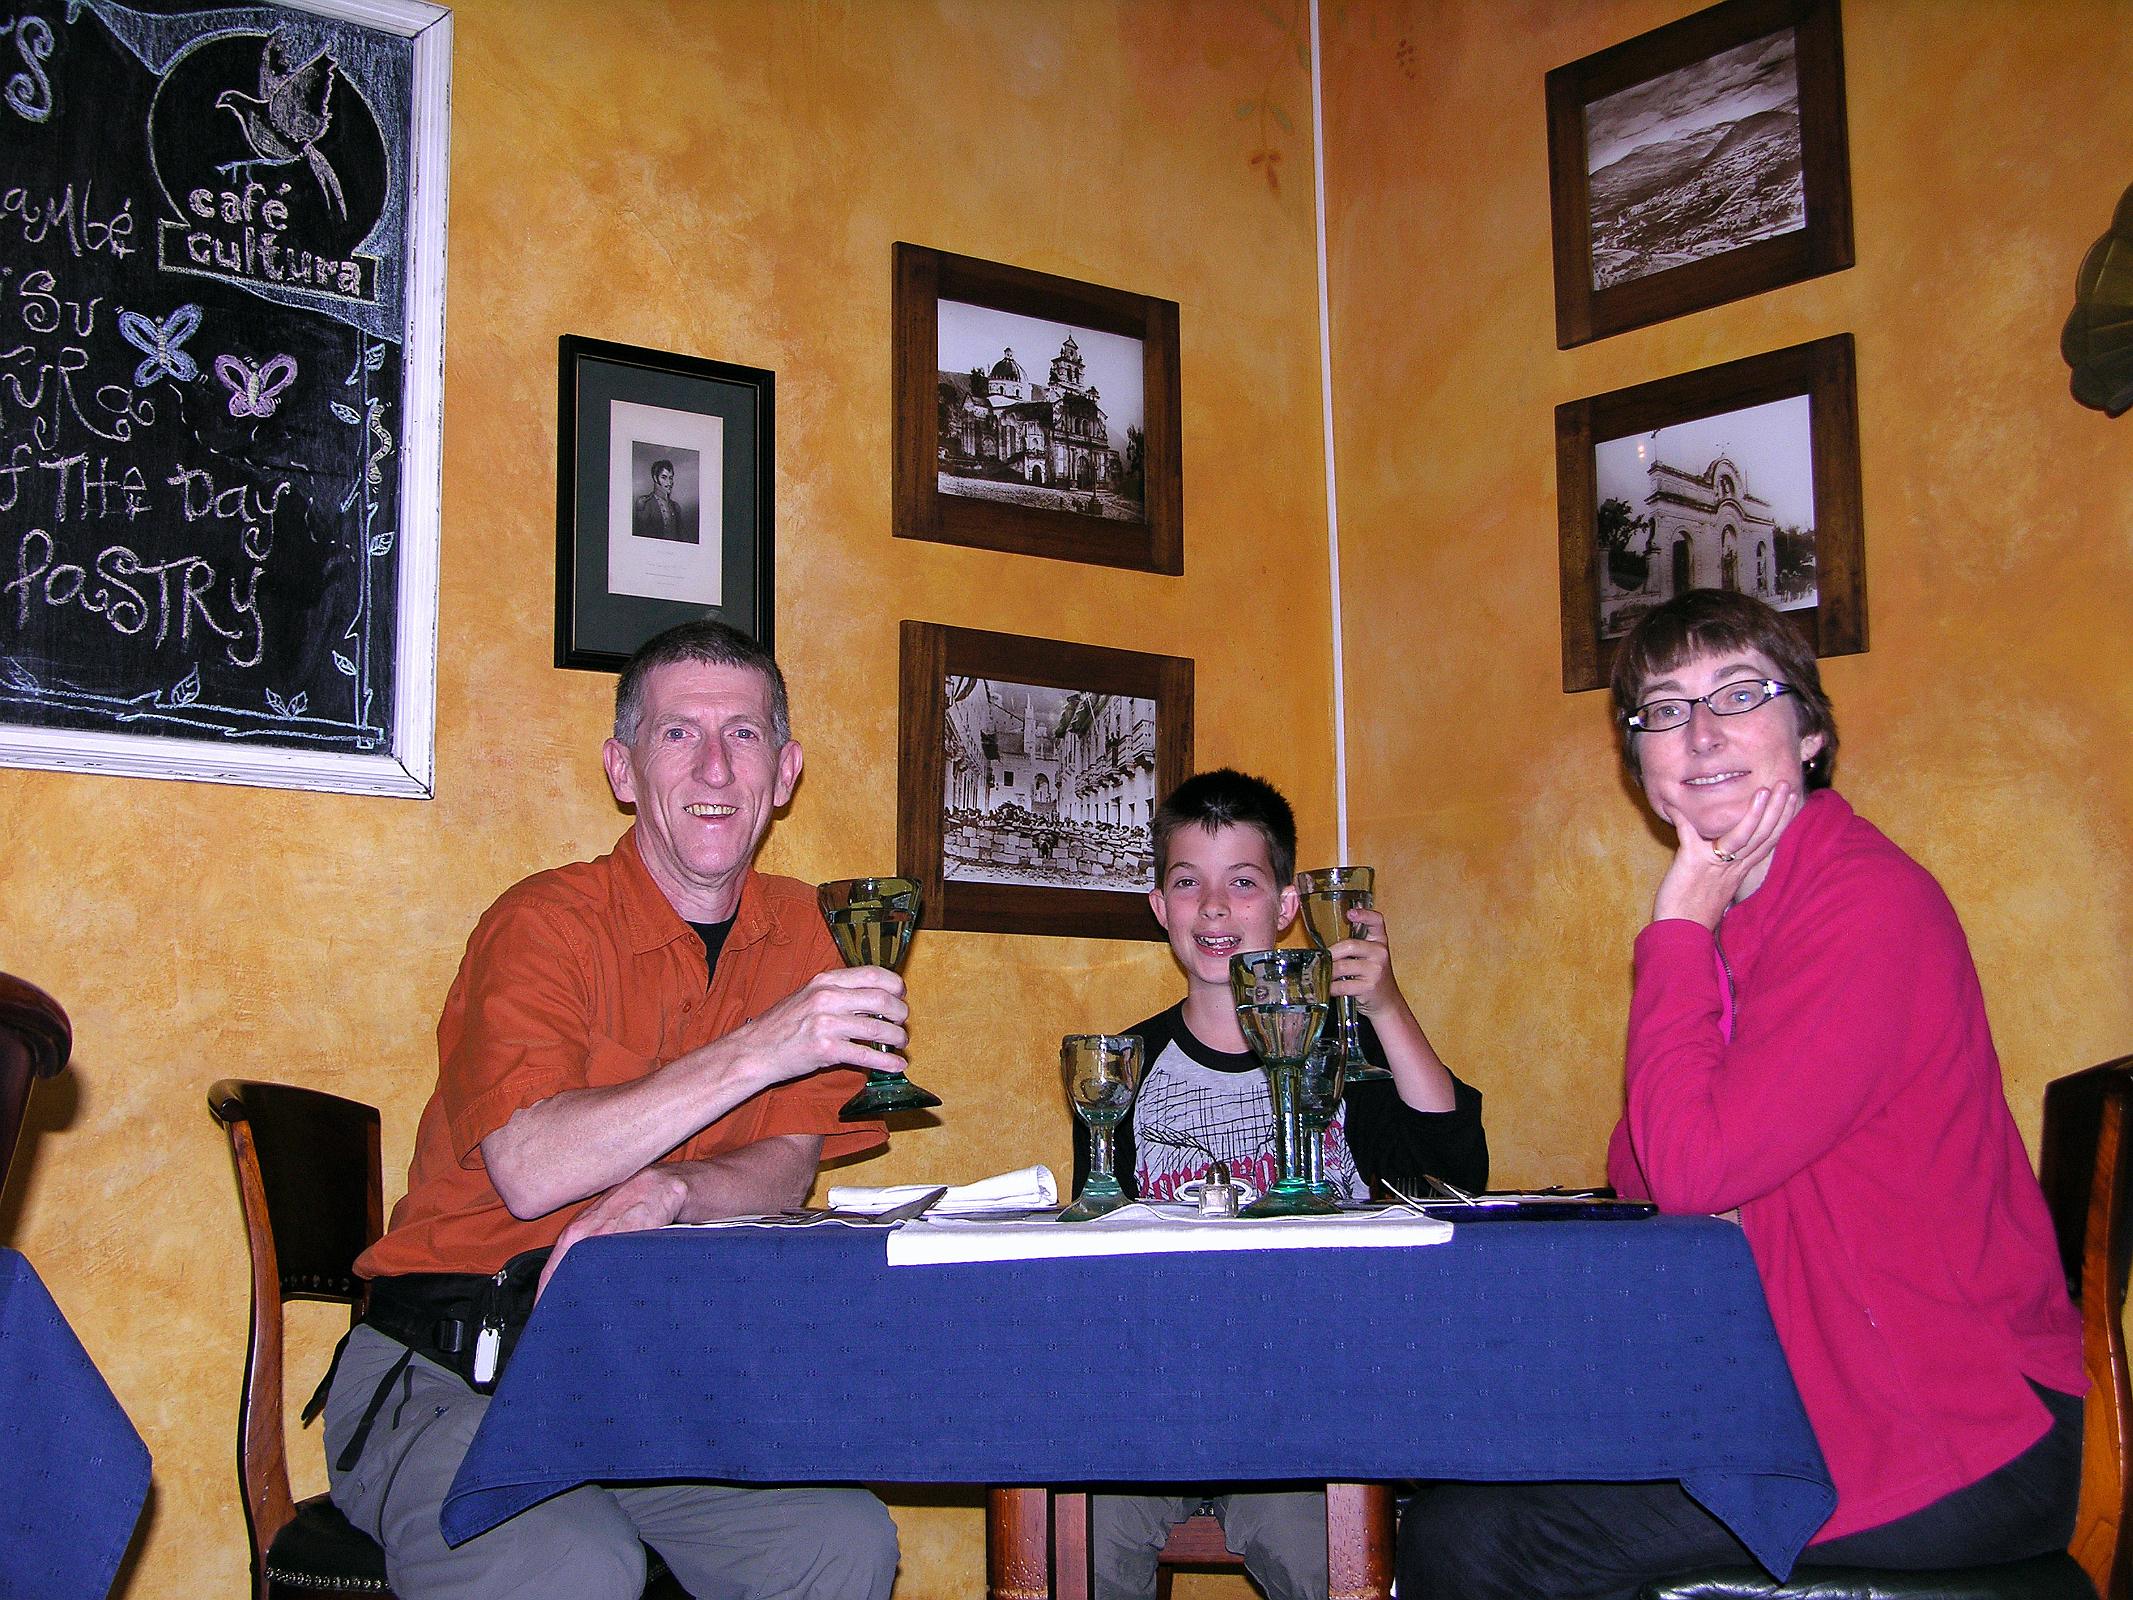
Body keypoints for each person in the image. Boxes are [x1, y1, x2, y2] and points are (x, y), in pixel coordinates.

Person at [1398, 591, 2085, 1600]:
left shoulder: (1863, 903)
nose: (1702, 732)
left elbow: (1689, 1171)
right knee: (1485, 1472)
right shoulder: (1756, 918)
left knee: (1477, 1540)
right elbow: (1641, 1173)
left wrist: (1675, 927)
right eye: (1665, 709)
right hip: (1828, 1404)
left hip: (1952, 1430)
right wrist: (1699, 940)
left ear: (1808, 732)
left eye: (1739, 693)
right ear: (1642, 764)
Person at [321, 619, 904, 1600]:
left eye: (746, 734)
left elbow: (786, 1166)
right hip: (453, 1368)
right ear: (622, 768)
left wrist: (672, 1188)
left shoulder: (810, 928)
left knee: (840, 1539)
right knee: (573, 1563)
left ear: (787, 770)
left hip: (645, 1379)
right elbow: (533, 1167)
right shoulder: (543, 922)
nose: (715, 765)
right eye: (678, 733)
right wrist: (764, 1045)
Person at [1076, 768, 1487, 1600]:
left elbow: (1454, 1180)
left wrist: (1386, 1007)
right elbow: (1101, 1239)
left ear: (1288, 905)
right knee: (1077, 1530)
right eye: (1188, 884)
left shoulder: (1340, 1053)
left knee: (1310, 1543)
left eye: (1243, 883)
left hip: (1308, 1401)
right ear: (1161, 909)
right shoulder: (1123, 1064)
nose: (1215, 909)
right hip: (1158, 1401)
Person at [634, 458, 686, 541]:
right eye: (664, 477)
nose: (669, 483)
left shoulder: (676, 507)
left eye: (671, 478)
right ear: (655, 478)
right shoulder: (644, 503)